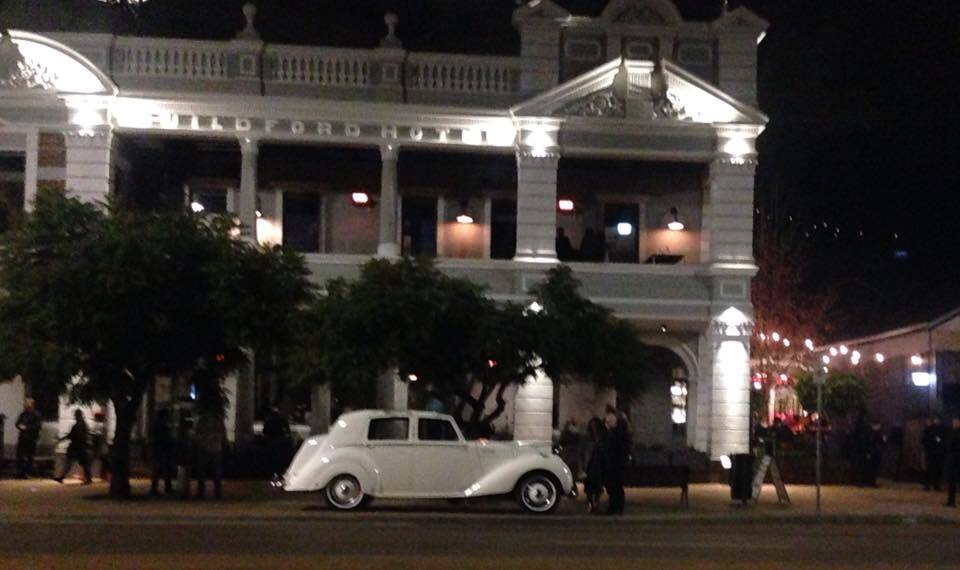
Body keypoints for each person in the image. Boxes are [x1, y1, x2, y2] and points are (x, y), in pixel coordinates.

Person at [601, 406, 631, 515]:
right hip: (617, 463)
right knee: (616, 486)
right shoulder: (622, 432)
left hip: (614, 463)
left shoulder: (617, 433)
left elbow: (612, 447)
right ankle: (617, 507)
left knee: (614, 486)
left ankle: (615, 507)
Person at [192, 409, 227, 499]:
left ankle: (203, 492)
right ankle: (216, 493)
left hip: (207, 448)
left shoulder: (202, 421)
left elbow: (197, 434)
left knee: (204, 471)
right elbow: (223, 435)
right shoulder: (218, 421)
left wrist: (198, 443)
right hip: (214, 448)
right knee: (215, 472)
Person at [53, 409, 92, 484]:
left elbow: (71, 435)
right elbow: (84, 434)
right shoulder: (83, 424)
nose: (75, 416)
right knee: (83, 464)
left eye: (75, 415)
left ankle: (61, 477)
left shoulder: (78, 425)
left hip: (77, 447)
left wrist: (61, 439)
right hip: (80, 446)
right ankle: (88, 479)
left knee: (71, 463)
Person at [582, 416, 606, 513]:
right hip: (590, 464)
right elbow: (583, 452)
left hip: (598, 464)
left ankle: (595, 502)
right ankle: (591, 502)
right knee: (589, 485)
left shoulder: (602, 437)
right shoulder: (588, 438)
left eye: (595, 426)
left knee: (597, 485)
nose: (594, 428)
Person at [150, 409, 175, 496]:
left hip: (159, 450)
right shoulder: (161, 426)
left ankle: (157, 488)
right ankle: (162, 488)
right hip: (161, 450)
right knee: (161, 469)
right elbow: (165, 438)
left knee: (159, 470)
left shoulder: (157, 425)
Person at [15, 399, 42, 479]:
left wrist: (26, 428)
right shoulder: (23, 414)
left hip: (31, 438)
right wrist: (19, 426)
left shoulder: (36, 414)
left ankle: (28, 473)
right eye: (26, 405)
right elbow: (17, 423)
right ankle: (20, 473)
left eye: (28, 405)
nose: (26, 406)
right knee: (20, 456)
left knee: (29, 457)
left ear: (32, 405)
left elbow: (38, 426)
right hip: (22, 438)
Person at [263, 406, 292, 480]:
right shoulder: (281, 418)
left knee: (272, 458)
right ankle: (279, 473)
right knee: (279, 458)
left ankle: (272, 473)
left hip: (271, 440)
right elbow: (287, 429)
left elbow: (265, 431)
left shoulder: (269, 419)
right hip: (279, 440)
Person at [922, 415, 948, 492]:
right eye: (935, 419)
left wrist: (938, 440)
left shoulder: (943, 429)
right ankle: (927, 485)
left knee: (938, 470)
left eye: (938, 419)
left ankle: (936, 485)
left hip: (939, 453)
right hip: (930, 452)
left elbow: (943, 440)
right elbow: (924, 439)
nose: (936, 421)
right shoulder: (929, 429)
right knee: (929, 470)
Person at [89, 410, 110, 481]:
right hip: (101, 445)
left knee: (91, 461)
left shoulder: (94, 425)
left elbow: (92, 434)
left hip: (96, 445)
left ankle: (88, 475)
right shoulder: (103, 425)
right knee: (105, 461)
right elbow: (104, 436)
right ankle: (103, 476)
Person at [945, 418, 960, 508]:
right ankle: (950, 501)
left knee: (953, 481)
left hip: (956, 459)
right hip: (951, 458)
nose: (954, 424)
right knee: (951, 481)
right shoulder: (951, 432)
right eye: (953, 423)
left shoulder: (957, 434)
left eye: (955, 423)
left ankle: (952, 501)